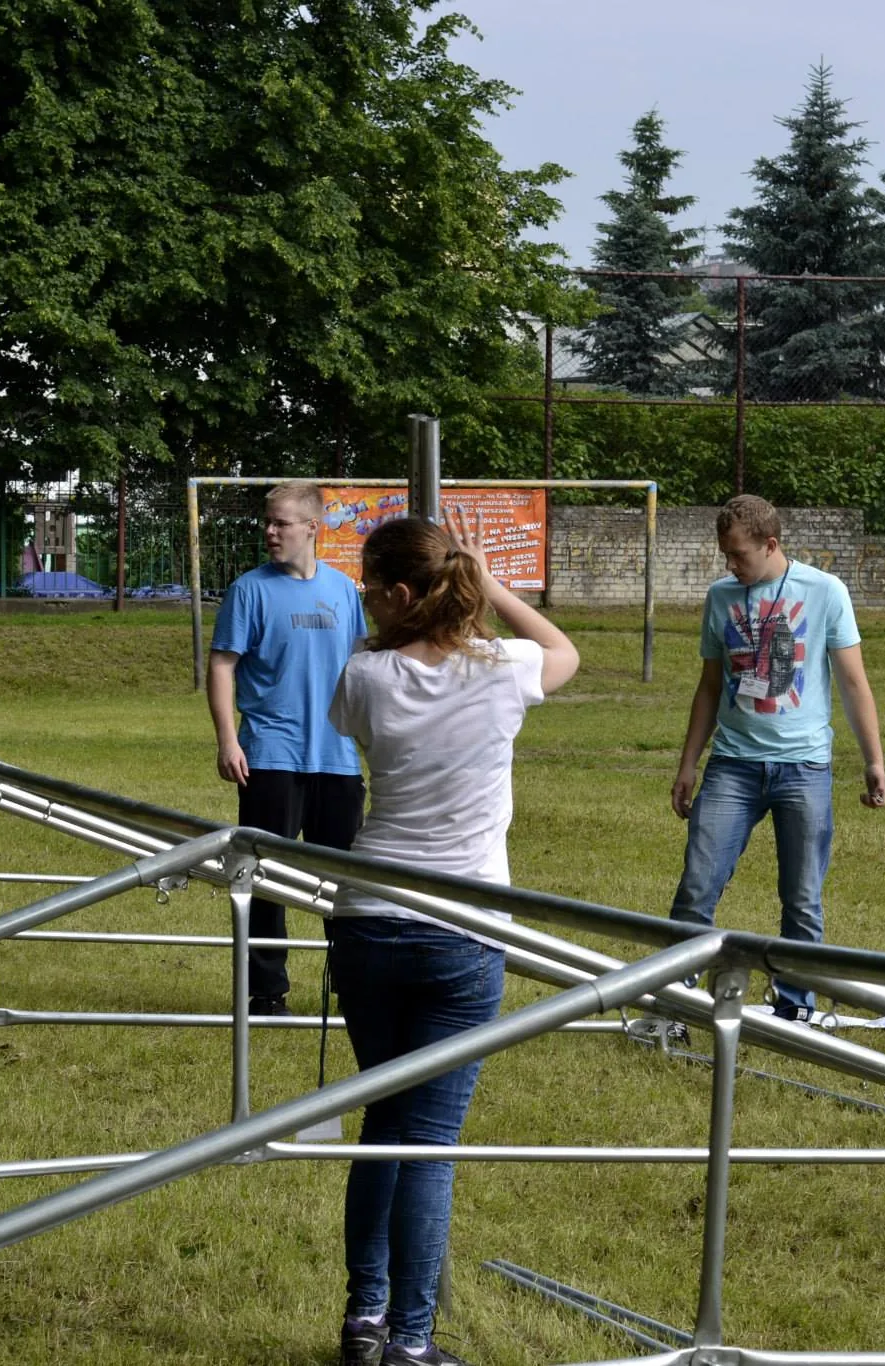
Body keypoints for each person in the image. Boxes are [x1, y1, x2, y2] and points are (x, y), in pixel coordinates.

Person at [324, 509, 579, 1366]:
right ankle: (412, 1340)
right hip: (463, 933)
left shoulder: (367, 672)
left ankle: (366, 1320)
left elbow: (350, 725)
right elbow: (566, 653)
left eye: (368, 587)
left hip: (367, 921)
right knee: (428, 1146)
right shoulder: (506, 668)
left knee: (384, 1125)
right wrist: (490, 584)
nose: (363, 600)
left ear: (399, 595)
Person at [667, 495, 885, 1023]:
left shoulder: (825, 591)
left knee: (802, 896)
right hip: (733, 765)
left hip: (804, 767)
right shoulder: (721, 598)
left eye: (739, 555)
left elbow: (854, 683)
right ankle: (671, 997)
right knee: (697, 883)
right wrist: (689, 763)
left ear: (771, 545)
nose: (730, 566)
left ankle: (796, 1007)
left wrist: (873, 760)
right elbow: (709, 686)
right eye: (725, 555)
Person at [207, 480, 367, 1016]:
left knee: (345, 882)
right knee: (266, 878)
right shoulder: (249, 590)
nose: (270, 532)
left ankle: (351, 987)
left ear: (312, 528)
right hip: (270, 755)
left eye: (281, 523)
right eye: (267, 523)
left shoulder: (344, 590)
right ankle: (266, 993)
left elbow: (362, 666)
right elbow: (223, 664)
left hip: (338, 759)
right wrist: (228, 739)